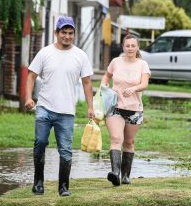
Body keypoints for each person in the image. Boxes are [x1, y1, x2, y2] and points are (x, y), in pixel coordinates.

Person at [25, 16, 94, 196]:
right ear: (56, 33)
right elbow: (31, 75)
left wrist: (90, 107)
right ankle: (38, 182)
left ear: (74, 35)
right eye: (63, 32)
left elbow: (87, 83)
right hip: (44, 108)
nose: (67, 36)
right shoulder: (45, 53)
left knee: (65, 150)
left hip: (66, 112)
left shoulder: (80, 56)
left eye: (70, 33)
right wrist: (28, 98)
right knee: (40, 142)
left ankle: (63, 186)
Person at [101, 34, 151, 186]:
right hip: (115, 107)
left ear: (137, 48)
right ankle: (115, 173)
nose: (130, 48)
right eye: (127, 45)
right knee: (116, 139)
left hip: (134, 109)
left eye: (133, 46)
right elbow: (106, 77)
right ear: (123, 47)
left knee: (129, 142)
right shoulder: (116, 62)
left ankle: (125, 176)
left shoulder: (142, 64)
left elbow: (144, 84)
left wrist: (134, 88)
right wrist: (104, 86)